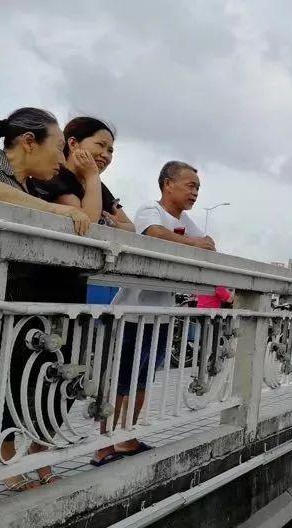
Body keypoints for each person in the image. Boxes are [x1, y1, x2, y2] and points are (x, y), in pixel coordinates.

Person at [92, 161, 216, 466]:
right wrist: (192, 243)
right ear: (167, 184)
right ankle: (103, 443)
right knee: (120, 378)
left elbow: (210, 246)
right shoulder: (151, 209)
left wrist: (195, 243)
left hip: (160, 313)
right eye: (190, 185)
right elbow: (154, 233)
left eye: (198, 187)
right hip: (131, 313)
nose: (195, 193)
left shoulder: (187, 221)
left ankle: (126, 437)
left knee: (143, 377)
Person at [0, 108, 92, 491]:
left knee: (29, 372)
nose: (59, 159)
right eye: (56, 147)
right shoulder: (12, 180)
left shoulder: (30, 186)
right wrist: (54, 209)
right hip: (11, 293)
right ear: (28, 142)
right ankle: (7, 459)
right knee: (6, 373)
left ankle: (27, 452)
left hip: (26, 294)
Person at [32, 117, 134, 231]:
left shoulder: (98, 186)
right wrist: (92, 176)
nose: (106, 155)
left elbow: (131, 227)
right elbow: (88, 223)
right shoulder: (54, 176)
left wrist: (115, 224)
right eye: (100, 144)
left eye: (110, 151)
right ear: (73, 143)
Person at [0, 108, 90, 234]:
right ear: (29, 142)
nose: (63, 161)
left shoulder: (33, 191)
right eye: (59, 148)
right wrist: (53, 209)